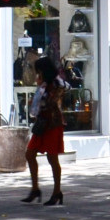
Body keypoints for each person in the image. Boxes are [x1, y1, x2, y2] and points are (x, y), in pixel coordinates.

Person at [26, 56, 69, 206]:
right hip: (41, 122)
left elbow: (52, 102)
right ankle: (35, 188)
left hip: (52, 123)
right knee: (30, 153)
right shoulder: (44, 84)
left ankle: (57, 191)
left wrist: (40, 96)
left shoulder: (57, 83)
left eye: (39, 71)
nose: (38, 74)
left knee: (52, 158)